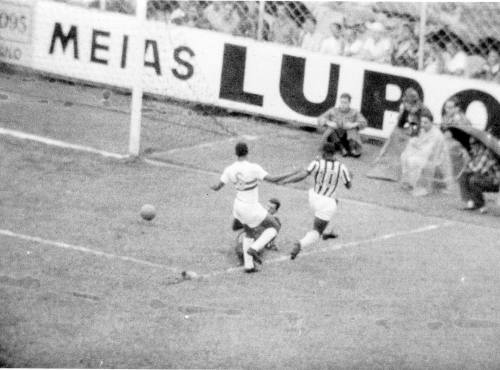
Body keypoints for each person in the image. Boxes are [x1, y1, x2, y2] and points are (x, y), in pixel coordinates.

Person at [210, 142, 293, 273]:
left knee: (249, 232)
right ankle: (255, 248)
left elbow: (218, 186)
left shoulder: (229, 169)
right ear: (247, 152)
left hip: (238, 206)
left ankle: (249, 266)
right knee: (275, 226)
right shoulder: (253, 168)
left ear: (236, 153)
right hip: (251, 206)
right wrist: (290, 173)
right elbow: (273, 179)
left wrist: (212, 187)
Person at [279, 142, 352, 260]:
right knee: (317, 231)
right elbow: (348, 186)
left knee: (335, 199)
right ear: (335, 153)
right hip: (326, 204)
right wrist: (349, 177)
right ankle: (301, 244)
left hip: (313, 198)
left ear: (324, 152)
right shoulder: (342, 167)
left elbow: (303, 175)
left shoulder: (317, 162)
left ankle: (328, 230)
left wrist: (287, 181)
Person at [367, 87, 428, 181]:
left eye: (408, 101)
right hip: (403, 130)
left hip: (413, 133)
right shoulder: (404, 106)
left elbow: (420, 127)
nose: (406, 103)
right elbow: (400, 123)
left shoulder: (422, 109)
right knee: (393, 141)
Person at [400, 109, 453, 196]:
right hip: (423, 153)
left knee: (413, 160)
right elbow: (416, 141)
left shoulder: (436, 134)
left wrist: (417, 148)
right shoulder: (422, 130)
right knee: (404, 156)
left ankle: (419, 186)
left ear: (431, 122)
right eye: (422, 122)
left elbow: (430, 151)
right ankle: (409, 182)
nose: (423, 125)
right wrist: (414, 143)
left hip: (435, 157)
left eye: (426, 122)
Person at [318, 93, 368, 157]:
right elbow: (320, 119)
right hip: (333, 140)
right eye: (341, 102)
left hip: (347, 140)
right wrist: (329, 123)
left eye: (345, 102)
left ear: (349, 103)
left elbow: (364, 122)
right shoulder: (333, 110)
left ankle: (352, 149)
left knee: (351, 129)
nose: (343, 104)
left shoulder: (354, 112)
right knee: (331, 128)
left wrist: (353, 124)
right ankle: (341, 148)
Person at [234, 198, 281, 265]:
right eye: (267, 206)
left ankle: (247, 258)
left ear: (276, 211)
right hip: (247, 235)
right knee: (240, 248)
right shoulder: (258, 213)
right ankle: (245, 257)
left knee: (253, 249)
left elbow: (272, 234)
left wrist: (271, 244)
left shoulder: (275, 221)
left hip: (257, 240)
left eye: (271, 208)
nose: (268, 209)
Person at [458, 138, 500, 212]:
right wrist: (465, 157)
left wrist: (467, 160)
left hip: (495, 181)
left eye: (473, 144)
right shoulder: (475, 153)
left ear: (479, 144)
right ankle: (470, 202)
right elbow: (469, 169)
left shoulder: (486, 153)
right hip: (484, 177)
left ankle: (481, 205)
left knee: (474, 180)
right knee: (463, 176)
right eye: (470, 144)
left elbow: (477, 169)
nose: (471, 146)